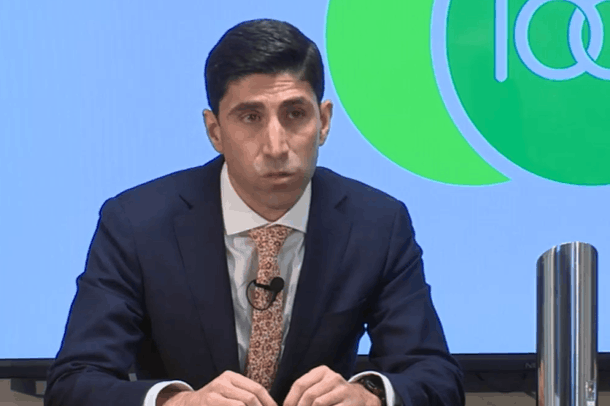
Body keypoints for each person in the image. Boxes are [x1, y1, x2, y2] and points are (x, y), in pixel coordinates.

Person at [44, 18, 465, 406]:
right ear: (215, 131)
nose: (276, 146)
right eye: (250, 117)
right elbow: (74, 383)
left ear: (323, 122)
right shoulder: (137, 224)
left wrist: (369, 396)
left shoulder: (377, 224)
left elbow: (436, 378)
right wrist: (176, 402)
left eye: (295, 114)